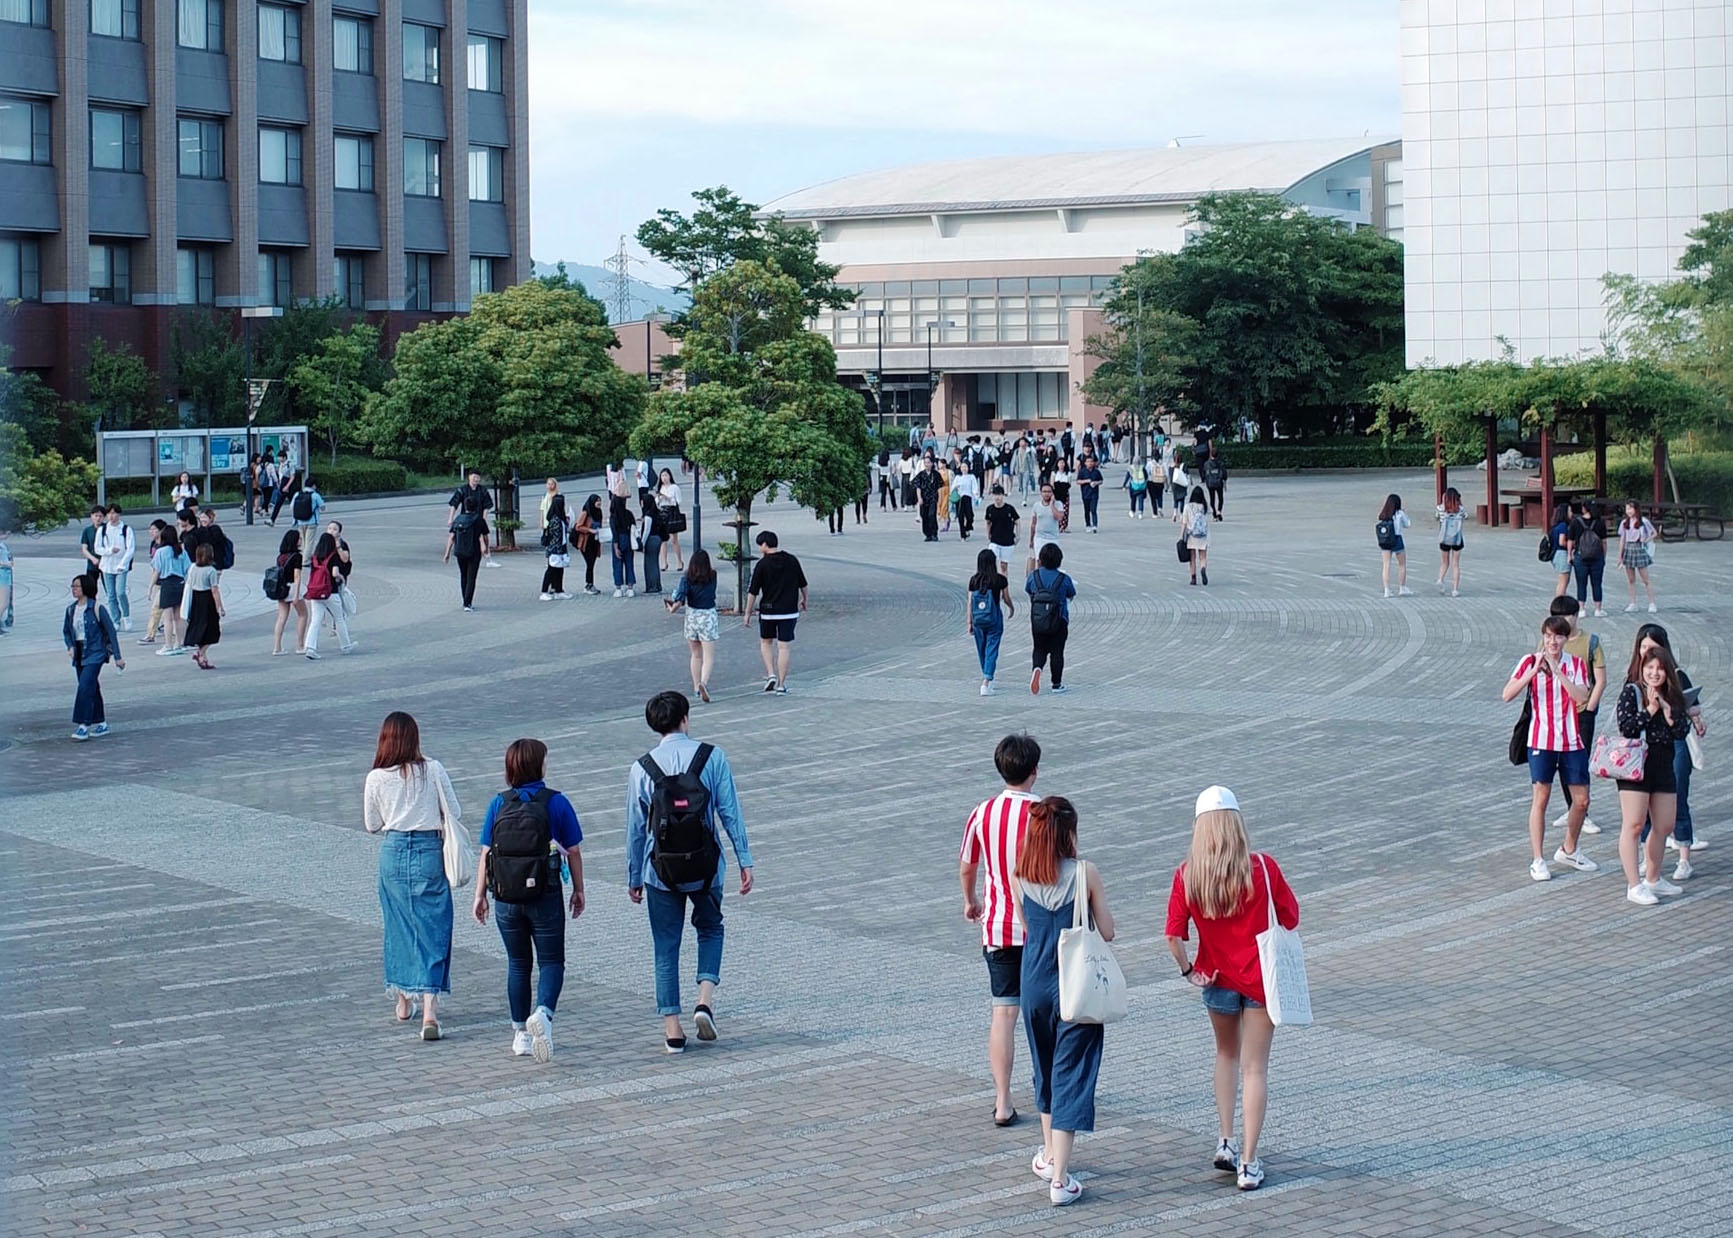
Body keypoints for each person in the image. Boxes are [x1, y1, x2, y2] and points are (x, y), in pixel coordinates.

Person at [1165, 786, 1297, 1193]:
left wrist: (1189, 970)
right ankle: (1250, 1162)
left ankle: (1225, 1139)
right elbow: (1291, 917)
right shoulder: (1262, 867)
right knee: (1255, 1068)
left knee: (1225, 1055)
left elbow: (1173, 934)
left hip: (1216, 977)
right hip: (1261, 980)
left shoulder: (1189, 873)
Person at [625, 691, 754, 1053]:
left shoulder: (642, 768)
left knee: (666, 947)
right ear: (686, 718)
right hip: (706, 865)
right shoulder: (713, 757)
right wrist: (745, 859)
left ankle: (673, 1031)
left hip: (659, 871)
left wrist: (634, 877)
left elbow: (636, 829)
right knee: (711, 929)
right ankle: (705, 1001)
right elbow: (730, 812)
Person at [1013, 794, 1113, 1206]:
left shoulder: (1020, 876)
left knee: (1045, 1065)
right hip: (1076, 984)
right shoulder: (1085, 874)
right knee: (1071, 1071)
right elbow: (1106, 930)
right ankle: (1061, 1178)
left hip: (1034, 982)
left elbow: (1026, 927)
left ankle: (1049, 1152)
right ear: (1068, 833)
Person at [472, 738, 586, 1061]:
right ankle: (544, 1014)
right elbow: (574, 851)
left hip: (506, 898)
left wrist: (480, 894)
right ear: (539, 765)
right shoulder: (556, 803)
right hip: (545, 895)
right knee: (551, 961)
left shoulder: (498, 803)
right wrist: (579, 890)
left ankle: (521, 1033)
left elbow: (485, 853)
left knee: (518, 963)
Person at [959, 732, 1040, 1127]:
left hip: (996, 926)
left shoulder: (982, 812)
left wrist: (971, 900)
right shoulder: (1045, 813)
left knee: (1003, 1013)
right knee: (1044, 1014)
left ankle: (1003, 1099)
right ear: (1035, 772)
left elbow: (967, 864)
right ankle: (1048, 1088)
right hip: (1039, 931)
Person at [363, 711, 459, 1042]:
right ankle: (430, 1012)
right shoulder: (432, 769)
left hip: (392, 852)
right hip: (428, 850)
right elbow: (455, 812)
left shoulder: (376, 777)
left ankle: (403, 1001)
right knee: (434, 926)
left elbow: (371, 824)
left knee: (398, 925)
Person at [1501, 615, 1595, 881]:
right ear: (1543, 636)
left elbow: (1582, 697)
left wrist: (1557, 671)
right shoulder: (1529, 661)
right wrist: (1533, 672)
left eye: (1558, 636)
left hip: (1571, 740)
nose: (1553, 641)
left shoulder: (1575, 664)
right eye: (1549, 636)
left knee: (1582, 800)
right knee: (1540, 799)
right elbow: (1507, 694)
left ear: (1566, 639)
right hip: (1540, 740)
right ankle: (1538, 859)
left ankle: (1569, 848)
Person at [1613, 642, 1692, 905]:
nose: (1654, 673)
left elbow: (1682, 731)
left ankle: (1654, 879)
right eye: (1649, 668)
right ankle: (1634, 884)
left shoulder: (1673, 695)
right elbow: (1627, 727)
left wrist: (1669, 713)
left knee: (1665, 824)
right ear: (1642, 668)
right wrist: (1650, 710)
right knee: (1634, 824)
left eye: (1659, 668)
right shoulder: (1631, 692)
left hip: (1663, 763)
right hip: (1636, 763)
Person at [1631, 625, 1708, 878]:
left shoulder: (1675, 674)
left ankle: (1684, 857)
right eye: (1643, 647)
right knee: (1644, 808)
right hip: (1645, 748)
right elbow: (1628, 720)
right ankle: (1648, 858)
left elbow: (1693, 707)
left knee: (1677, 798)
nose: (1648, 652)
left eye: (1653, 647)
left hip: (1675, 744)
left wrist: (1684, 714)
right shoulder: (1634, 680)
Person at [1549, 595, 1608, 838]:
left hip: (1582, 713)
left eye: (1566, 617)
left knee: (1579, 763)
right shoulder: (1551, 641)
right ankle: (1571, 807)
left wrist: (1590, 707)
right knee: (1562, 763)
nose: (1562, 622)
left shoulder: (1590, 642)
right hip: (1557, 713)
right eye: (1557, 617)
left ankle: (1583, 810)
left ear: (1575, 616)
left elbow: (1600, 679)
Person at [62, 575, 126, 740]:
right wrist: (70, 646)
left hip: (95, 652)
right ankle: (101, 722)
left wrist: (118, 656)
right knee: (92, 687)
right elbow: (67, 631)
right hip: (79, 653)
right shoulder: (71, 609)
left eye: (77, 586)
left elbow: (111, 632)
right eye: (72, 586)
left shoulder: (97, 608)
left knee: (84, 686)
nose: (73, 589)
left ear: (86, 588)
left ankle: (83, 725)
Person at [744, 529, 807, 694]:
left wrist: (747, 613)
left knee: (766, 642)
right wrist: (804, 599)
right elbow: (803, 583)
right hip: (789, 611)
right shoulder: (792, 560)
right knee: (783, 647)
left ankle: (771, 673)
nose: (759, 548)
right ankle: (781, 684)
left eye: (760, 545)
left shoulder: (762, 565)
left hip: (768, 611)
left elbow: (753, 591)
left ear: (765, 544)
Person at [667, 549, 719, 703]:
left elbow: (680, 598)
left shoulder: (687, 577)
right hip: (708, 615)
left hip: (692, 616)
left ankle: (696, 687)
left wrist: (672, 609)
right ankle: (704, 682)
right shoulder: (713, 575)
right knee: (708, 656)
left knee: (696, 655)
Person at [1026, 541, 1076, 696]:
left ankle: (1037, 669)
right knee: (1057, 651)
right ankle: (1056, 684)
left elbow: (1029, 591)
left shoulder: (1033, 576)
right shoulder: (1063, 578)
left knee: (1039, 648)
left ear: (1040, 559)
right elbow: (1071, 594)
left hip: (1038, 619)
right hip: (1059, 620)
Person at [966, 547, 1015, 696]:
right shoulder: (1000, 579)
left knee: (982, 649)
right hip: (994, 618)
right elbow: (1006, 598)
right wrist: (1011, 608)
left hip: (978, 620)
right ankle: (986, 681)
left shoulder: (974, 580)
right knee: (992, 648)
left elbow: (969, 602)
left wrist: (969, 622)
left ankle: (987, 675)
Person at [302, 532, 353, 658]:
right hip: (331, 592)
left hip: (315, 592)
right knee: (339, 619)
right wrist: (341, 577)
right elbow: (335, 573)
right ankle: (345, 645)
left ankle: (310, 647)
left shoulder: (315, 557)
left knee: (315, 621)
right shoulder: (333, 556)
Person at [180, 543, 225, 669]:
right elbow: (214, 590)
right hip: (207, 600)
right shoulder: (211, 570)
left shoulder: (193, 567)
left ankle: (203, 657)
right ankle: (200, 653)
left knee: (199, 626)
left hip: (196, 598)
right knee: (212, 630)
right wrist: (220, 607)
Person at [148, 524, 189, 656]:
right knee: (179, 616)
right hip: (180, 583)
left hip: (167, 583)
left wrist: (150, 587)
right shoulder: (181, 551)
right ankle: (179, 643)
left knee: (167, 617)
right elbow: (188, 569)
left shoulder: (161, 552)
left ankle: (168, 645)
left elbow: (157, 571)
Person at [271, 528, 311, 655]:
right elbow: (297, 576)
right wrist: (296, 595)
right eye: (299, 538)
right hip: (293, 588)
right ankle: (300, 645)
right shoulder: (297, 556)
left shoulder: (280, 557)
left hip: (281, 588)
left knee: (281, 617)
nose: (300, 540)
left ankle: (277, 647)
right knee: (303, 615)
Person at [95, 504, 135, 630]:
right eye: (109, 514)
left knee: (121, 592)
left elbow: (131, 549)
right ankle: (115, 620)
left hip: (121, 566)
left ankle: (126, 617)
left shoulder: (126, 529)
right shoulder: (102, 530)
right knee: (111, 595)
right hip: (107, 566)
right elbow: (97, 548)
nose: (111, 516)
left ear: (119, 514)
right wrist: (109, 550)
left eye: (114, 513)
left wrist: (123, 564)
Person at [447, 469, 495, 570]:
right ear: (469, 477)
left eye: (478, 478)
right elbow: (454, 504)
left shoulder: (483, 490)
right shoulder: (462, 490)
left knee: (484, 536)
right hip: (465, 520)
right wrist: (450, 518)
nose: (476, 480)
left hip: (478, 519)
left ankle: (488, 557)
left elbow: (487, 506)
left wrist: (484, 518)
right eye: (474, 477)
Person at [1617, 500, 1658, 613]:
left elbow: (1654, 533)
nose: (1628, 511)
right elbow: (1622, 540)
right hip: (1628, 549)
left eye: (1631, 508)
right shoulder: (1624, 523)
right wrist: (1620, 556)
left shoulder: (1643, 521)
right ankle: (1632, 603)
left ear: (1636, 509)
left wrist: (1646, 540)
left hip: (1639, 548)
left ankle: (1652, 603)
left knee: (1646, 579)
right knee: (1631, 579)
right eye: (1627, 509)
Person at [1569, 500, 1609, 616]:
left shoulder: (1576, 522)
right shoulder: (1600, 522)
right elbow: (1604, 542)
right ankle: (1598, 609)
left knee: (1581, 583)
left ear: (1584, 509)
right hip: (1597, 557)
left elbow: (1571, 541)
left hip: (1580, 556)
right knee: (1597, 583)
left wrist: (1569, 554)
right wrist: (1603, 556)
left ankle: (1581, 609)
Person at [445, 500, 485, 612]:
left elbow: (451, 537)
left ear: (465, 506)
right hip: (473, 552)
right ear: (476, 507)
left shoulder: (458, 519)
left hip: (459, 551)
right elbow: (484, 535)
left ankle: (465, 600)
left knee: (463, 575)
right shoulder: (479, 519)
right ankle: (468, 602)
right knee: (471, 577)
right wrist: (485, 548)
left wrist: (447, 553)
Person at [1377, 493, 1411, 597]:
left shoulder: (1384, 514)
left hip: (1385, 540)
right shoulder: (1399, 513)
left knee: (1386, 565)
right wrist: (1405, 513)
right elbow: (1408, 524)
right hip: (1396, 538)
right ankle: (1402, 587)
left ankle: (1387, 590)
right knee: (1402, 564)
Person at [1026, 482, 1064, 575]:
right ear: (1041, 493)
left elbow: (1059, 517)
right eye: (1044, 491)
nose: (1046, 494)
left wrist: (1052, 504)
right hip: (1040, 538)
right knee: (1039, 561)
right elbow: (1033, 523)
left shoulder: (1058, 504)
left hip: (1053, 538)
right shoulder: (1036, 506)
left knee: (1053, 561)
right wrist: (1031, 539)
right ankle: (1040, 579)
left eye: (1049, 491)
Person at [982, 485, 1020, 576]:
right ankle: (994, 583)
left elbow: (1017, 521)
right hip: (994, 540)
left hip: (1008, 541)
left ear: (1003, 495)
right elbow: (988, 522)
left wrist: (1018, 535)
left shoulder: (1009, 509)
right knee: (992, 562)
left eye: (999, 495)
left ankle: (1004, 585)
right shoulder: (990, 509)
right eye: (995, 495)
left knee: (1003, 565)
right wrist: (988, 534)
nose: (997, 497)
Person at [539, 494, 571, 601]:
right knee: (551, 570)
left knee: (559, 570)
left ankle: (558, 590)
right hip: (554, 549)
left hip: (560, 548)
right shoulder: (555, 520)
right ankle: (544, 591)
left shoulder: (559, 518)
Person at [1435, 487, 1465, 596]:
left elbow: (1437, 517)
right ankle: (1455, 590)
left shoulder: (1441, 509)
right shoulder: (1460, 510)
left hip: (1444, 539)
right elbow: (1465, 516)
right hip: (1457, 539)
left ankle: (1441, 579)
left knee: (1444, 562)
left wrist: (1443, 502)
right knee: (1455, 564)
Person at [608, 487, 638, 598]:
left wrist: (616, 547)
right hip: (629, 539)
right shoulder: (629, 514)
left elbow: (614, 533)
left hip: (619, 539)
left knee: (617, 564)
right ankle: (630, 588)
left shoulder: (613, 517)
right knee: (629, 563)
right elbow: (634, 527)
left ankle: (618, 588)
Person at [657, 468, 686, 571]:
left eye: (666, 475)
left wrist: (668, 499)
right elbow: (657, 502)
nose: (664, 478)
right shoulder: (661, 488)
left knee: (674, 539)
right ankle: (664, 562)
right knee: (663, 540)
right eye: (662, 476)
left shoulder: (674, 488)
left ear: (670, 476)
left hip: (672, 512)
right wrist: (659, 499)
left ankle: (679, 561)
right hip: (662, 513)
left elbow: (679, 501)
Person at [1183, 485, 1212, 586]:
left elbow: (1184, 523)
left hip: (1191, 535)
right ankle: (1203, 568)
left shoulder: (1187, 507)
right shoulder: (1204, 506)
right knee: (1202, 556)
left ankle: (1193, 578)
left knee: (1192, 557)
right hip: (1203, 535)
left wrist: (1181, 536)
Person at [574, 494, 603, 595]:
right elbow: (578, 527)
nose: (599, 503)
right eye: (597, 501)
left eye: (600, 501)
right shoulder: (586, 513)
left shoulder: (599, 513)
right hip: (586, 542)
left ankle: (590, 584)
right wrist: (589, 530)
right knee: (589, 563)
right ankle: (588, 585)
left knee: (592, 564)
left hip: (595, 542)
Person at [639, 494, 666, 595]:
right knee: (654, 562)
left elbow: (646, 531)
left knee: (650, 564)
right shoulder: (656, 513)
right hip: (658, 538)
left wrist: (642, 544)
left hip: (651, 540)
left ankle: (652, 586)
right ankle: (656, 585)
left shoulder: (648, 515)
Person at [912, 456, 942, 541]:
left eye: (928, 462)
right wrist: (919, 498)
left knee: (931, 515)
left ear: (932, 463)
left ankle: (934, 533)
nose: (927, 464)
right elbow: (918, 487)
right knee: (924, 516)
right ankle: (927, 534)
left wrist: (939, 499)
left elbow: (939, 487)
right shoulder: (921, 475)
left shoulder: (936, 474)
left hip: (933, 498)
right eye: (925, 463)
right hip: (924, 498)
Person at [1547, 500, 1572, 598]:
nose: (1571, 513)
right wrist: (1571, 545)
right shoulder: (1563, 526)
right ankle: (1559, 602)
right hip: (1562, 554)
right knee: (1563, 581)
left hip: (1556, 554)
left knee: (1561, 581)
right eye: (1569, 511)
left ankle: (1559, 599)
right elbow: (1562, 542)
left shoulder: (1555, 526)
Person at [78, 505, 103, 594]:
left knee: (110, 589)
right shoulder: (87, 531)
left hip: (105, 563)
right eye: (96, 516)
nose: (98, 518)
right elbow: (84, 549)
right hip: (92, 564)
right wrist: (93, 559)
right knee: (91, 589)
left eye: (100, 516)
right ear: (91, 516)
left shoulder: (107, 529)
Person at [952, 463, 980, 540]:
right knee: (960, 517)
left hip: (968, 497)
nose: (964, 469)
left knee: (970, 516)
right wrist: (955, 487)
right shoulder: (958, 477)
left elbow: (974, 487)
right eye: (962, 467)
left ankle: (968, 527)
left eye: (965, 467)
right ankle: (963, 535)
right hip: (959, 498)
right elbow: (952, 488)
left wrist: (976, 494)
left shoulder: (971, 477)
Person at [1076, 454, 1103, 532]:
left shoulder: (1096, 472)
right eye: (1088, 461)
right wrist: (1086, 481)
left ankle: (1095, 525)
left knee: (1093, 509)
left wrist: (1096, 483)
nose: (1090, 463)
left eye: (1091, 461)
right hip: (1085, 494)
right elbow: (1078, 481)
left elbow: (1101, 481)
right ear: (1085, 463)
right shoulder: (1082, 471)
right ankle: (1088, 525)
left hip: (1094, 493)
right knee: (1086, 510)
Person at [1202, 446, 1228, 519]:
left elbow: (1203, 473)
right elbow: (1224, 473)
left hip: (1210, 483)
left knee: (1212, 498)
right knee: (1220, 498)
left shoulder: (1206, 464)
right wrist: (1224, 479)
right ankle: (1219, 511)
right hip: (1219, 483)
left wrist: (1205, 480)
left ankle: (1214, 512)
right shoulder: (1220, 463)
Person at [0, 513, 12, 636]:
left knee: (4, 603)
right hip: (2, 574)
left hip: (6, 574)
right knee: (3, 603)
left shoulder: (3, 545)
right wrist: (4, 564)